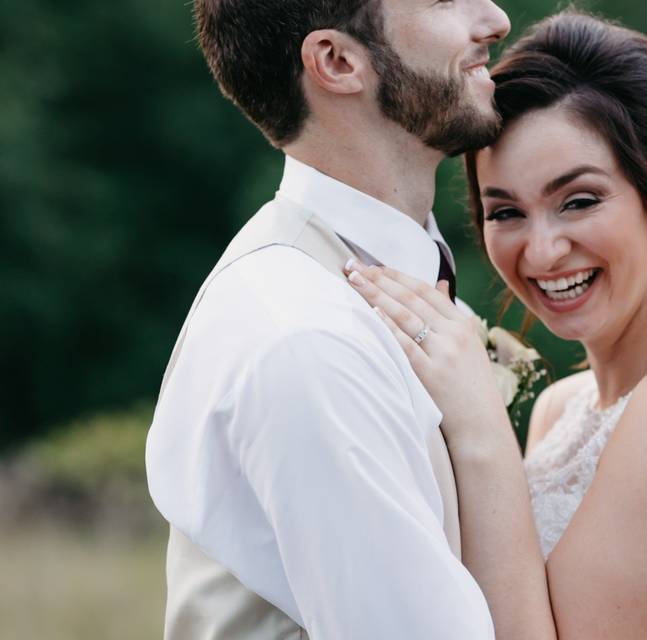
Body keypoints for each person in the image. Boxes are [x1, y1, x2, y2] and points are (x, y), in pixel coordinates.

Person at [345, 9, 647, 639]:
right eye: (505, 211)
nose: (540, 252)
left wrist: (480, 426)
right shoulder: (561, 410)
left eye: (579, 201)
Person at [145, 1, 513, 638]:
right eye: (444, 0)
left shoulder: (393, 294)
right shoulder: (307, 339)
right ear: (338, 62)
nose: (496, 17)